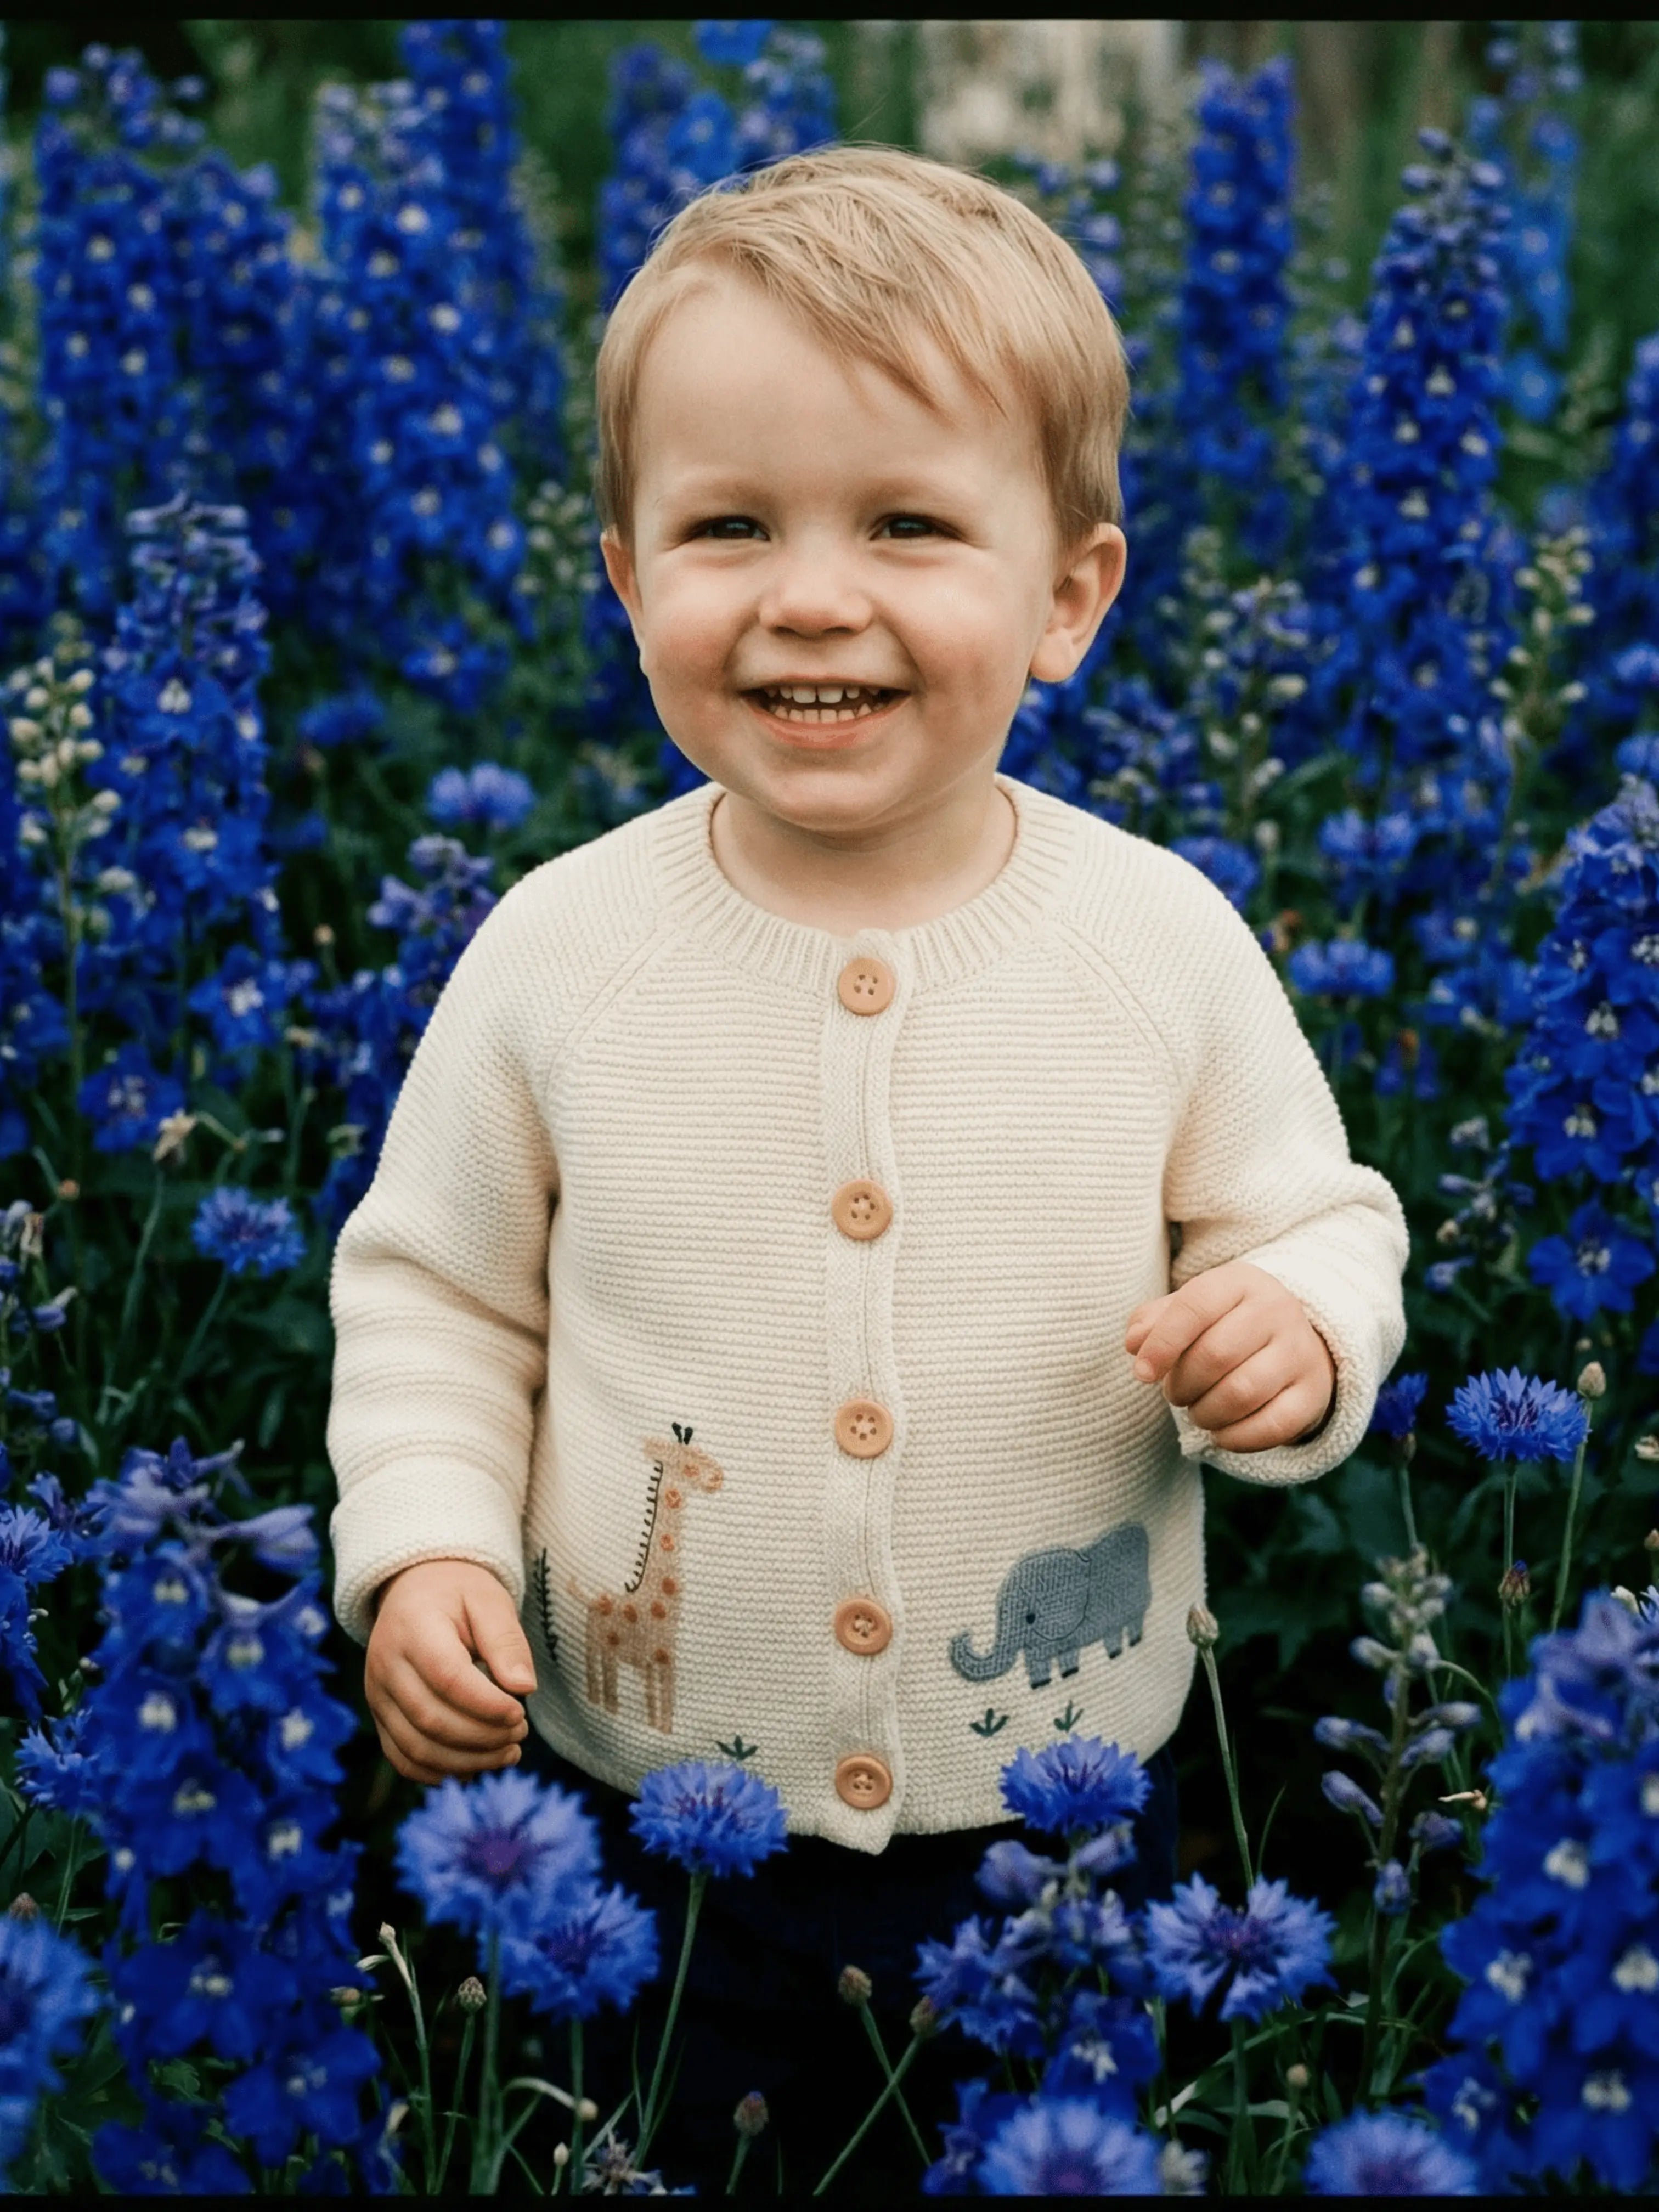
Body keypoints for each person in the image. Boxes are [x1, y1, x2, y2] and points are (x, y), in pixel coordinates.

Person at [326, 144, 1408, 2196]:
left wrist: (1296, 1329)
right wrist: (429, 1543)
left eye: (910, 526)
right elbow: (440, 1296)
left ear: (1070, 596)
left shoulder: (1157, 935)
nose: (812, 593)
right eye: (729, 527)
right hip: (650, 1830)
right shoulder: (558, 950)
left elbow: (1312, 1215)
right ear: (632, 580)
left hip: (1068, 1821)